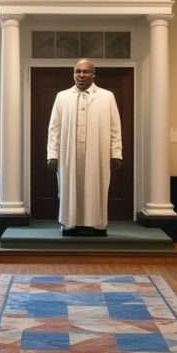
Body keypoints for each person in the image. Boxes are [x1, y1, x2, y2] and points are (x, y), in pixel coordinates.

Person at [47, 59, 122, 236]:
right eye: (77, 71)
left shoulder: (107, 96)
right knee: (69, 187)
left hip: (98, 152)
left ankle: (96, 225)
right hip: (68, 153)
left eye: (86, 72)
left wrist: (116, 152)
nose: (81, 75)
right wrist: (52, 153)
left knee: (96, 186)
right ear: (73, 74)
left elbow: (115, 127)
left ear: (93, 74)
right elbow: (54, 128)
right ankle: (69, 224)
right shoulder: (62, 97)